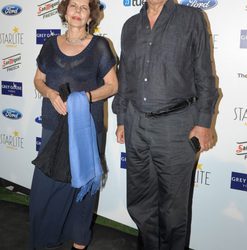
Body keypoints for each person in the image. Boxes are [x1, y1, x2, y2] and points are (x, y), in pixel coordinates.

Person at [112, 0, 218, 250]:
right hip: (136, 123)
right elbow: (124, 75)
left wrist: (204, 122)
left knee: (173, 209)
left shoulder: (191, 18)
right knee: (140, 202)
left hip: (176, 126)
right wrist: (121, 118)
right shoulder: (130, 26)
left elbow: (204, 73)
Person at [29, 0, 118, 249]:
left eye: (84, 7)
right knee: (46, 191)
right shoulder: (49, 45)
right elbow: (38, 79)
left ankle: (78, 244)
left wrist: (85, 98)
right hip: (53, 128)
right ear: (64, 12)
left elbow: (113, 86)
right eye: (73, 6)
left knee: (83, 191)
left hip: (86, 129)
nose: (78, 11)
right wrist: (50, 93)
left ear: (91, 15)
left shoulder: (100, 47)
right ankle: (45, 242)